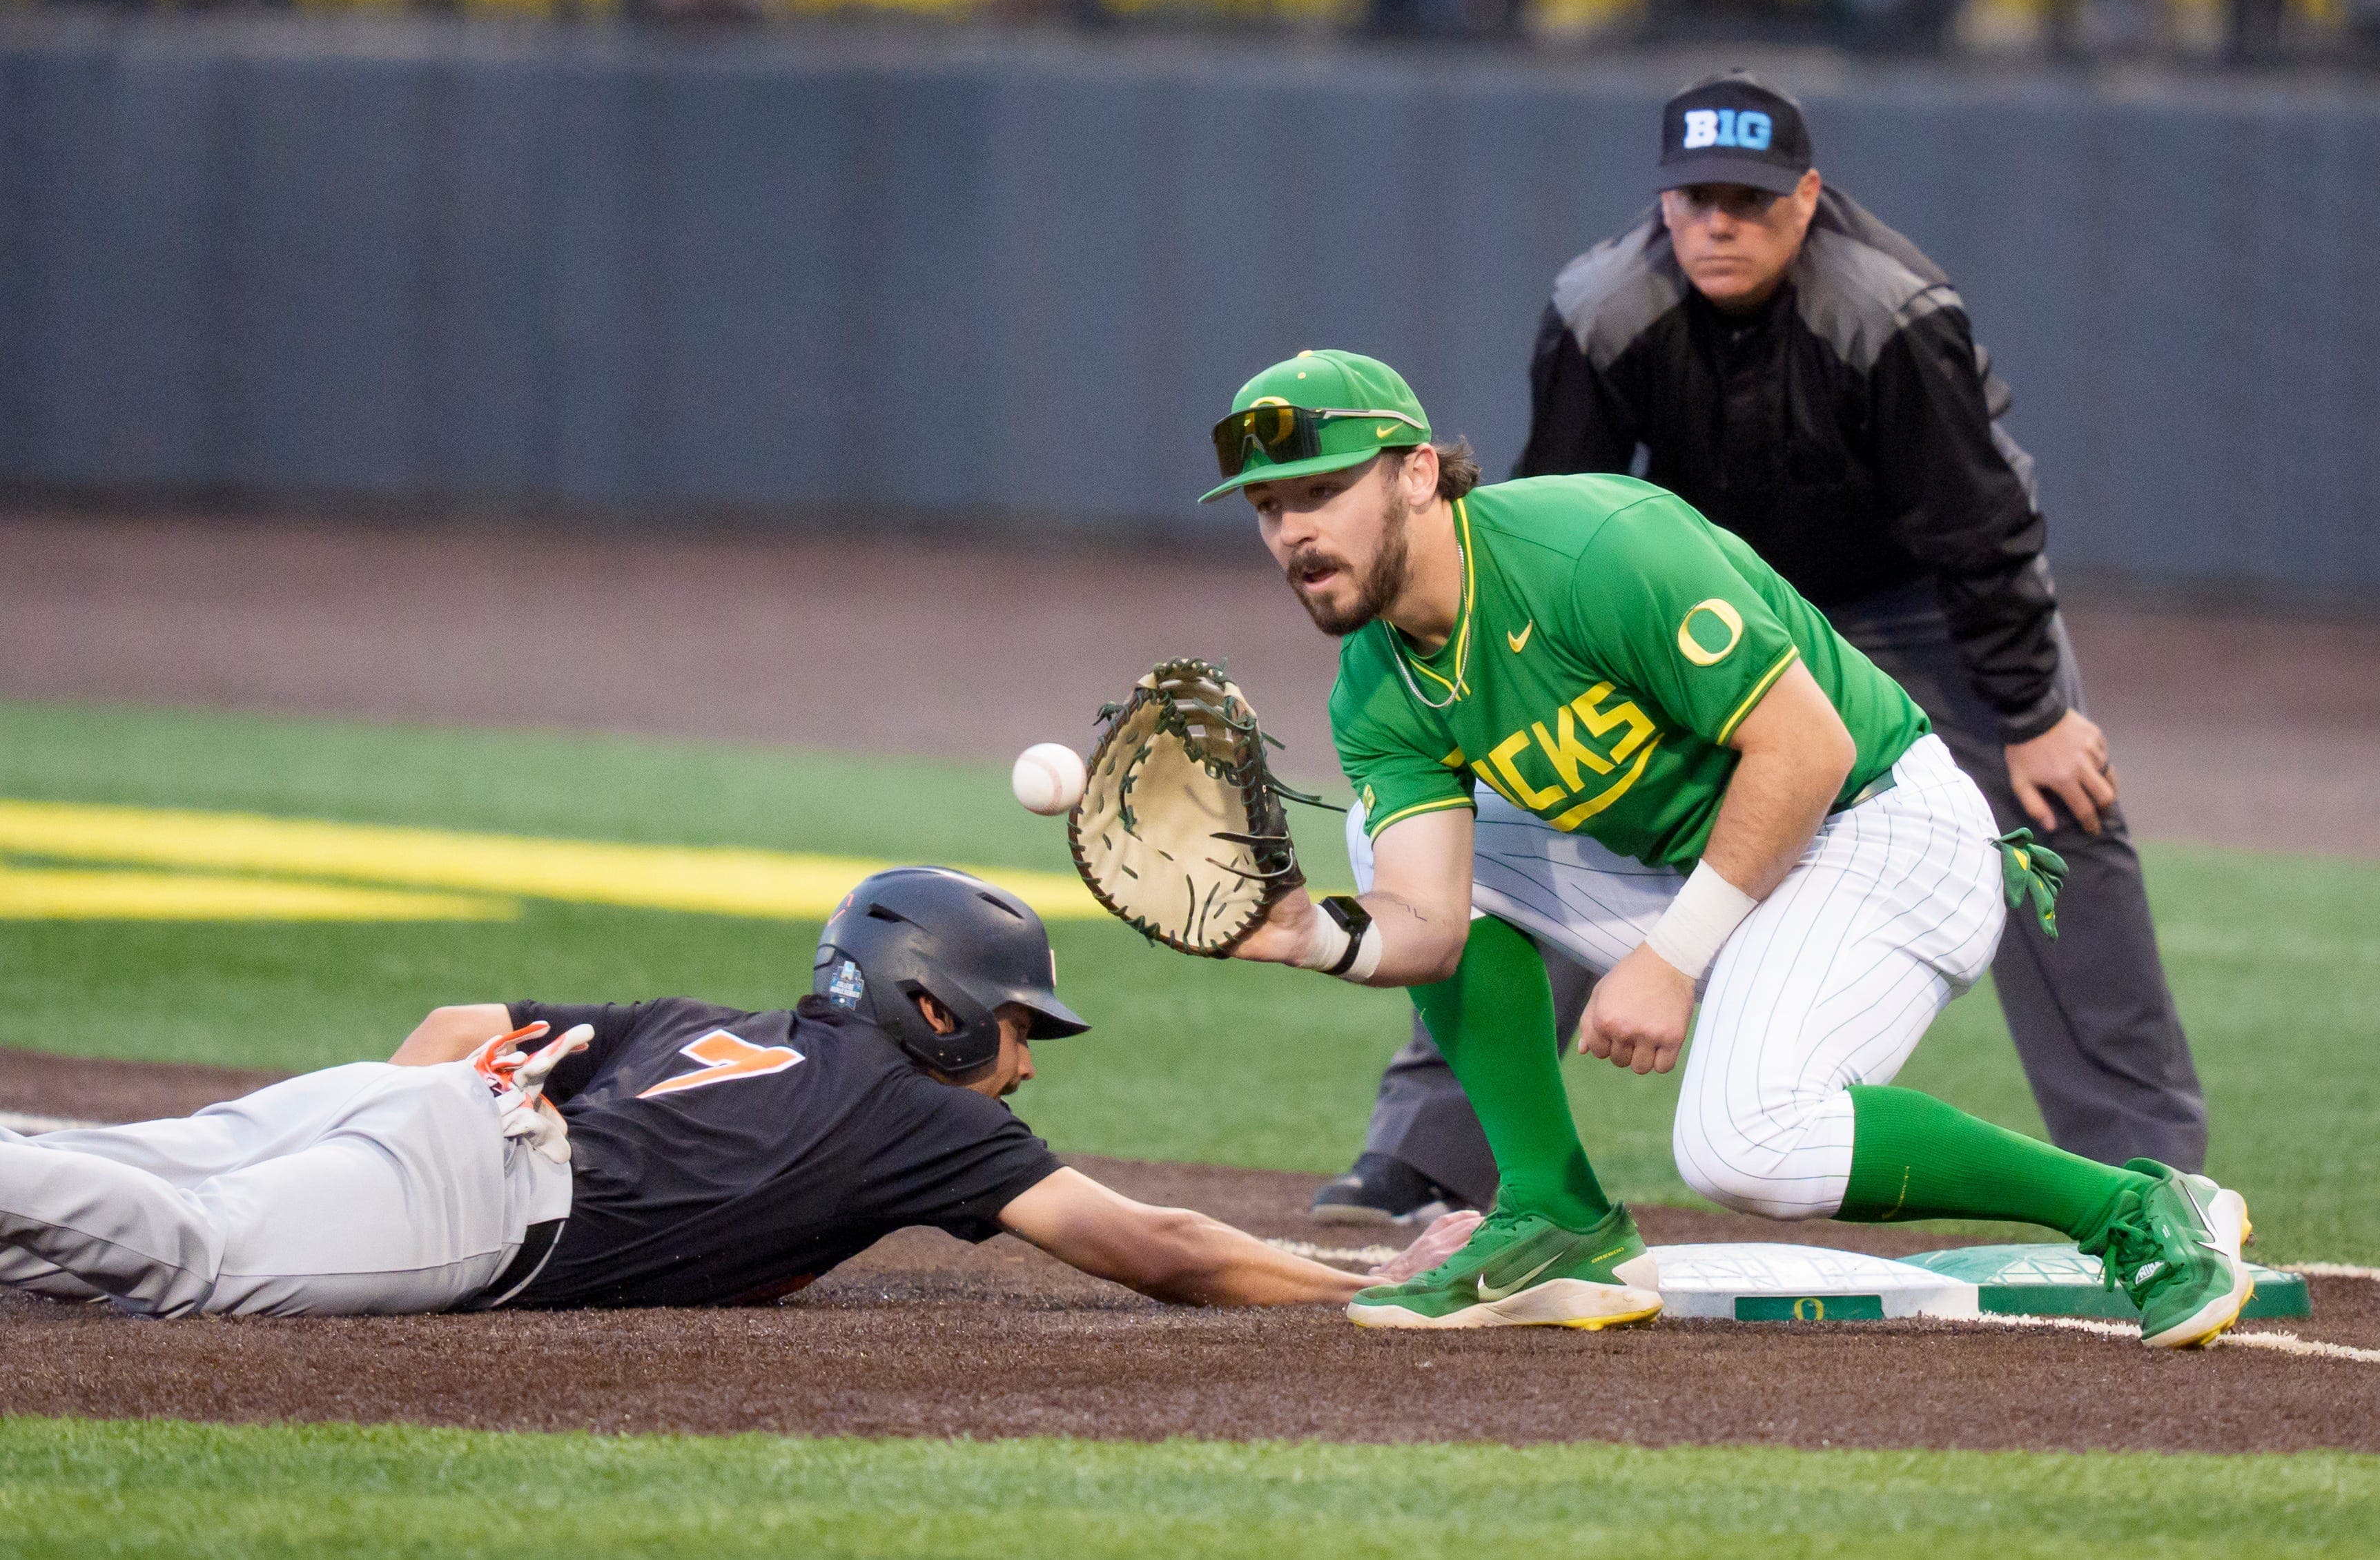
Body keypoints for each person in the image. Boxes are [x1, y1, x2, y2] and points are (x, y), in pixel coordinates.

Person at [1205, 348, 2252, 1348]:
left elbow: (1808, 748)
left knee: (1742, 1144)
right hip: (1710, 860)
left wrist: (1673, 958)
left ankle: (2137, 1206)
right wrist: (1310, 934)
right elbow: (1430, 922)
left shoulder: (1591, 548)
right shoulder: (1378, 687)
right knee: (1375, 845)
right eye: (1267, 508)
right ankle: (1558, 1218)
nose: (1293, 531)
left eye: (1320, 492)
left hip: (1883, 827)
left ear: (1419, 473)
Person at [1314, 70, 2205, 1227]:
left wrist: (2033, 713)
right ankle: (1433, 1155)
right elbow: (1533, 518)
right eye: (1694, 200)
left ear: (1809, 197)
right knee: (1499, 795)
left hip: (1912, 598)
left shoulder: (1889, 309)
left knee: (2062, 809)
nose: (1719, 224)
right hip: (1701, 593)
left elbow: (1978, 524)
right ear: (1661, 206)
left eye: (1749, 197)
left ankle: (2152, 1165)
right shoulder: (1604, 303)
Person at [0, 866, 1461, 1318]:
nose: (1021, 1064)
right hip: (480, 1193)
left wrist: (395, 1139)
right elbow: (1156, 1248)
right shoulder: (918, 1115)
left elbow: (457, 1021)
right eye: (1018, 1028)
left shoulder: (702, 1024)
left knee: (115, 1167)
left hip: (412, 1108)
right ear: (933, 1006)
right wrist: (1370, 1286)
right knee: (188, 1255)